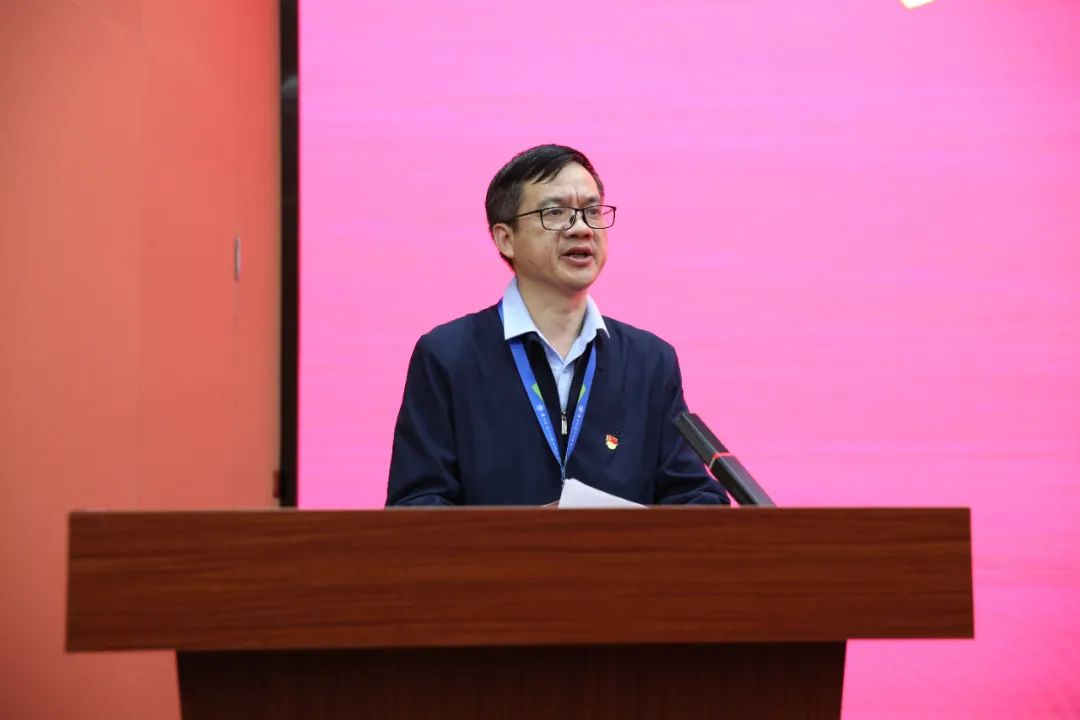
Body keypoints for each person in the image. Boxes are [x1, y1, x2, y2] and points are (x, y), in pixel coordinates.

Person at [386, 144, 728, 506]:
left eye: (592, 211)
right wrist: (528, 533)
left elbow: (695, 497)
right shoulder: (448, 357)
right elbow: (417, 505)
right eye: (555, 212)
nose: (582, 229)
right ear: (506, 238)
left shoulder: (649, 361)